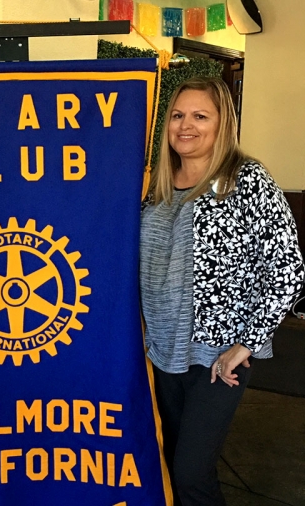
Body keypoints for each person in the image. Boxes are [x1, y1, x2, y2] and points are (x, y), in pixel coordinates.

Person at [140, 76, 304, 505]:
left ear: (222, 124)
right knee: (171, 463)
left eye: (199, 116)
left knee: (190, 472)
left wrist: (247, 343)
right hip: (160, 352)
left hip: (218, 358)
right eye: (177, 115)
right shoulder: (154, 188)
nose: (185, 126)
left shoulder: (245, 180)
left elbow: (287, 269)